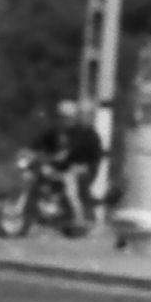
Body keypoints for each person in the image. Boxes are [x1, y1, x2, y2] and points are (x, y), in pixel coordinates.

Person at [32, 96, 102, 232]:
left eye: (68, 117)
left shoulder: (85, 134)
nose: (64, 120)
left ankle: (79, 219)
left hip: (80, 169)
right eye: (62, 116)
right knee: (41, 174)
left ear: (74, 117)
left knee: (69, 183)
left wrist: (75, 163)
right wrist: (30, 151)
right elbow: (39, 143)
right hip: (61, 168)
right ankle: (42, 208)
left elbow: (90, 157)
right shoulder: (54, 131)